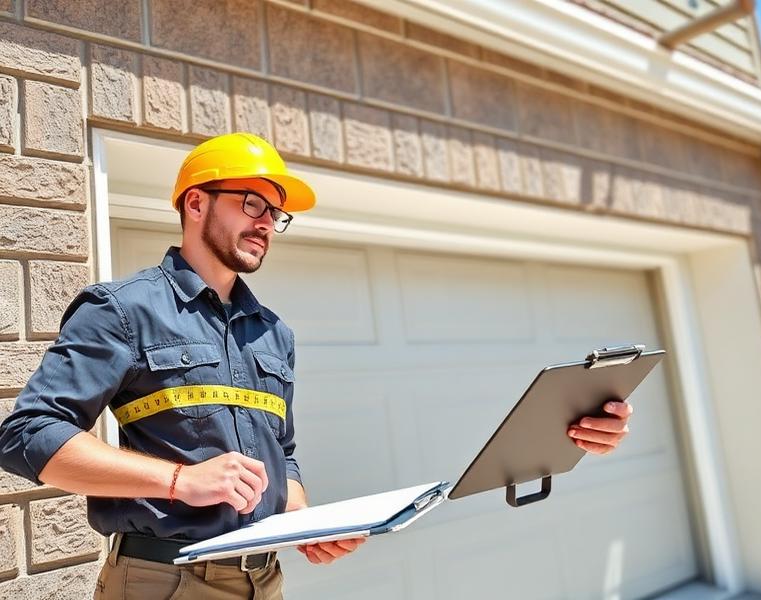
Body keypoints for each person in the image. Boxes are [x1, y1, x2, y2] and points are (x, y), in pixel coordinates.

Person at [0, 132, 633, 599]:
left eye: (276, 214)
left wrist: (302, 522)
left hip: (265, 580)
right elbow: (28, 436)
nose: (267, 224)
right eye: (252, 204)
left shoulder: (274, 334)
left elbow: (285, 455)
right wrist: (179, 482)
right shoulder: (123, 309)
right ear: (196, 203)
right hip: (163, 581)